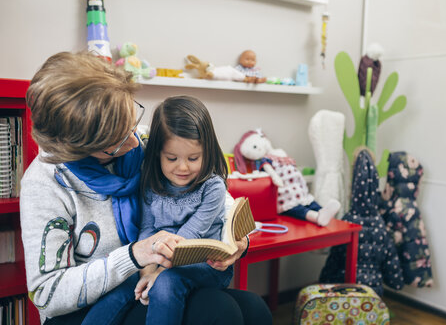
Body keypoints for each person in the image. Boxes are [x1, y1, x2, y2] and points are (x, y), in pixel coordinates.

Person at [20, 51, 272, 325]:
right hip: (87, 304)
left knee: (255, 310)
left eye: (132, 121)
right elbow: (48, 294)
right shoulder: (44, 184)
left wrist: (235, 241)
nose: (134, 142)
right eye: (116, 142)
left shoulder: (144, 139)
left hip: (155, 273)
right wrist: (134, 256)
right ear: (80, 148)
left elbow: (211, 194)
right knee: (218, 311)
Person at [132, 95, 232, 325]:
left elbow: (192, 235)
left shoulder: (212, 186)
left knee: (166, 283)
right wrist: (147, 271)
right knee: (122, 287)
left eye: (194, 158)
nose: (183, 167)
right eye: (172, 158)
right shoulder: (151, 182)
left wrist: (158, 273)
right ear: (158, 153)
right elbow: (147, 228)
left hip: (205, 263)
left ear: (207, 151)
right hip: (161, 260)